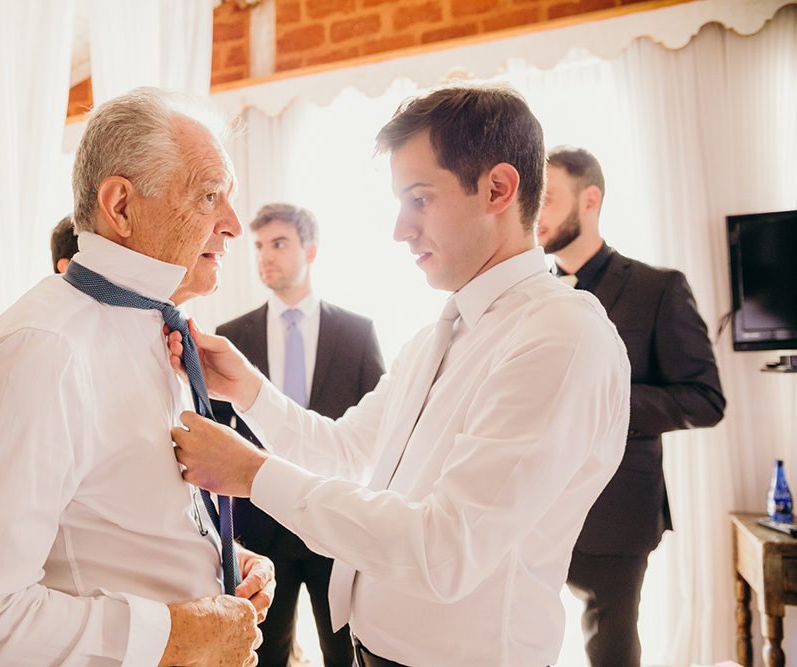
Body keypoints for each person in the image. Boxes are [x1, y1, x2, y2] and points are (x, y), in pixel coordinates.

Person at [170, 83, 632, 667]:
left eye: (419, 199)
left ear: (498, 189)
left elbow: (445, 550)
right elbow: (346, 452)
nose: (400, 229)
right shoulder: (439, 335)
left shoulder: (560, 337)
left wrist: (251, 473)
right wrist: (250, 391)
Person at [0, 87, 274, 667]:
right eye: (210, 196)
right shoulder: (44, 351)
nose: (233, 224)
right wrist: (175, 636)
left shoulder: (159, 329)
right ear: (121, 206)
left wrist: (224, 559)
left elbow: (112, 520)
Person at [537, 146, 725, 667]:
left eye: (547, 198)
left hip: (617, 513)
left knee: (612, 652)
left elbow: (706, 399)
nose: (534, 212)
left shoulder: (657, 288)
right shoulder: (530, 296)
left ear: (590, 200)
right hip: (533, 506)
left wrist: (603, 401)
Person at [213, 203, 385, 667]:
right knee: (262, 655)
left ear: (310, 251)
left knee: (345, 655)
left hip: (337, 523)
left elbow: (383, 438)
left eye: (279, 243)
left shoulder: (356, 333)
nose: (265, 256)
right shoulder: (232, 336)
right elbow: (217, 434)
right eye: (259, 246)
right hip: (260, 529)